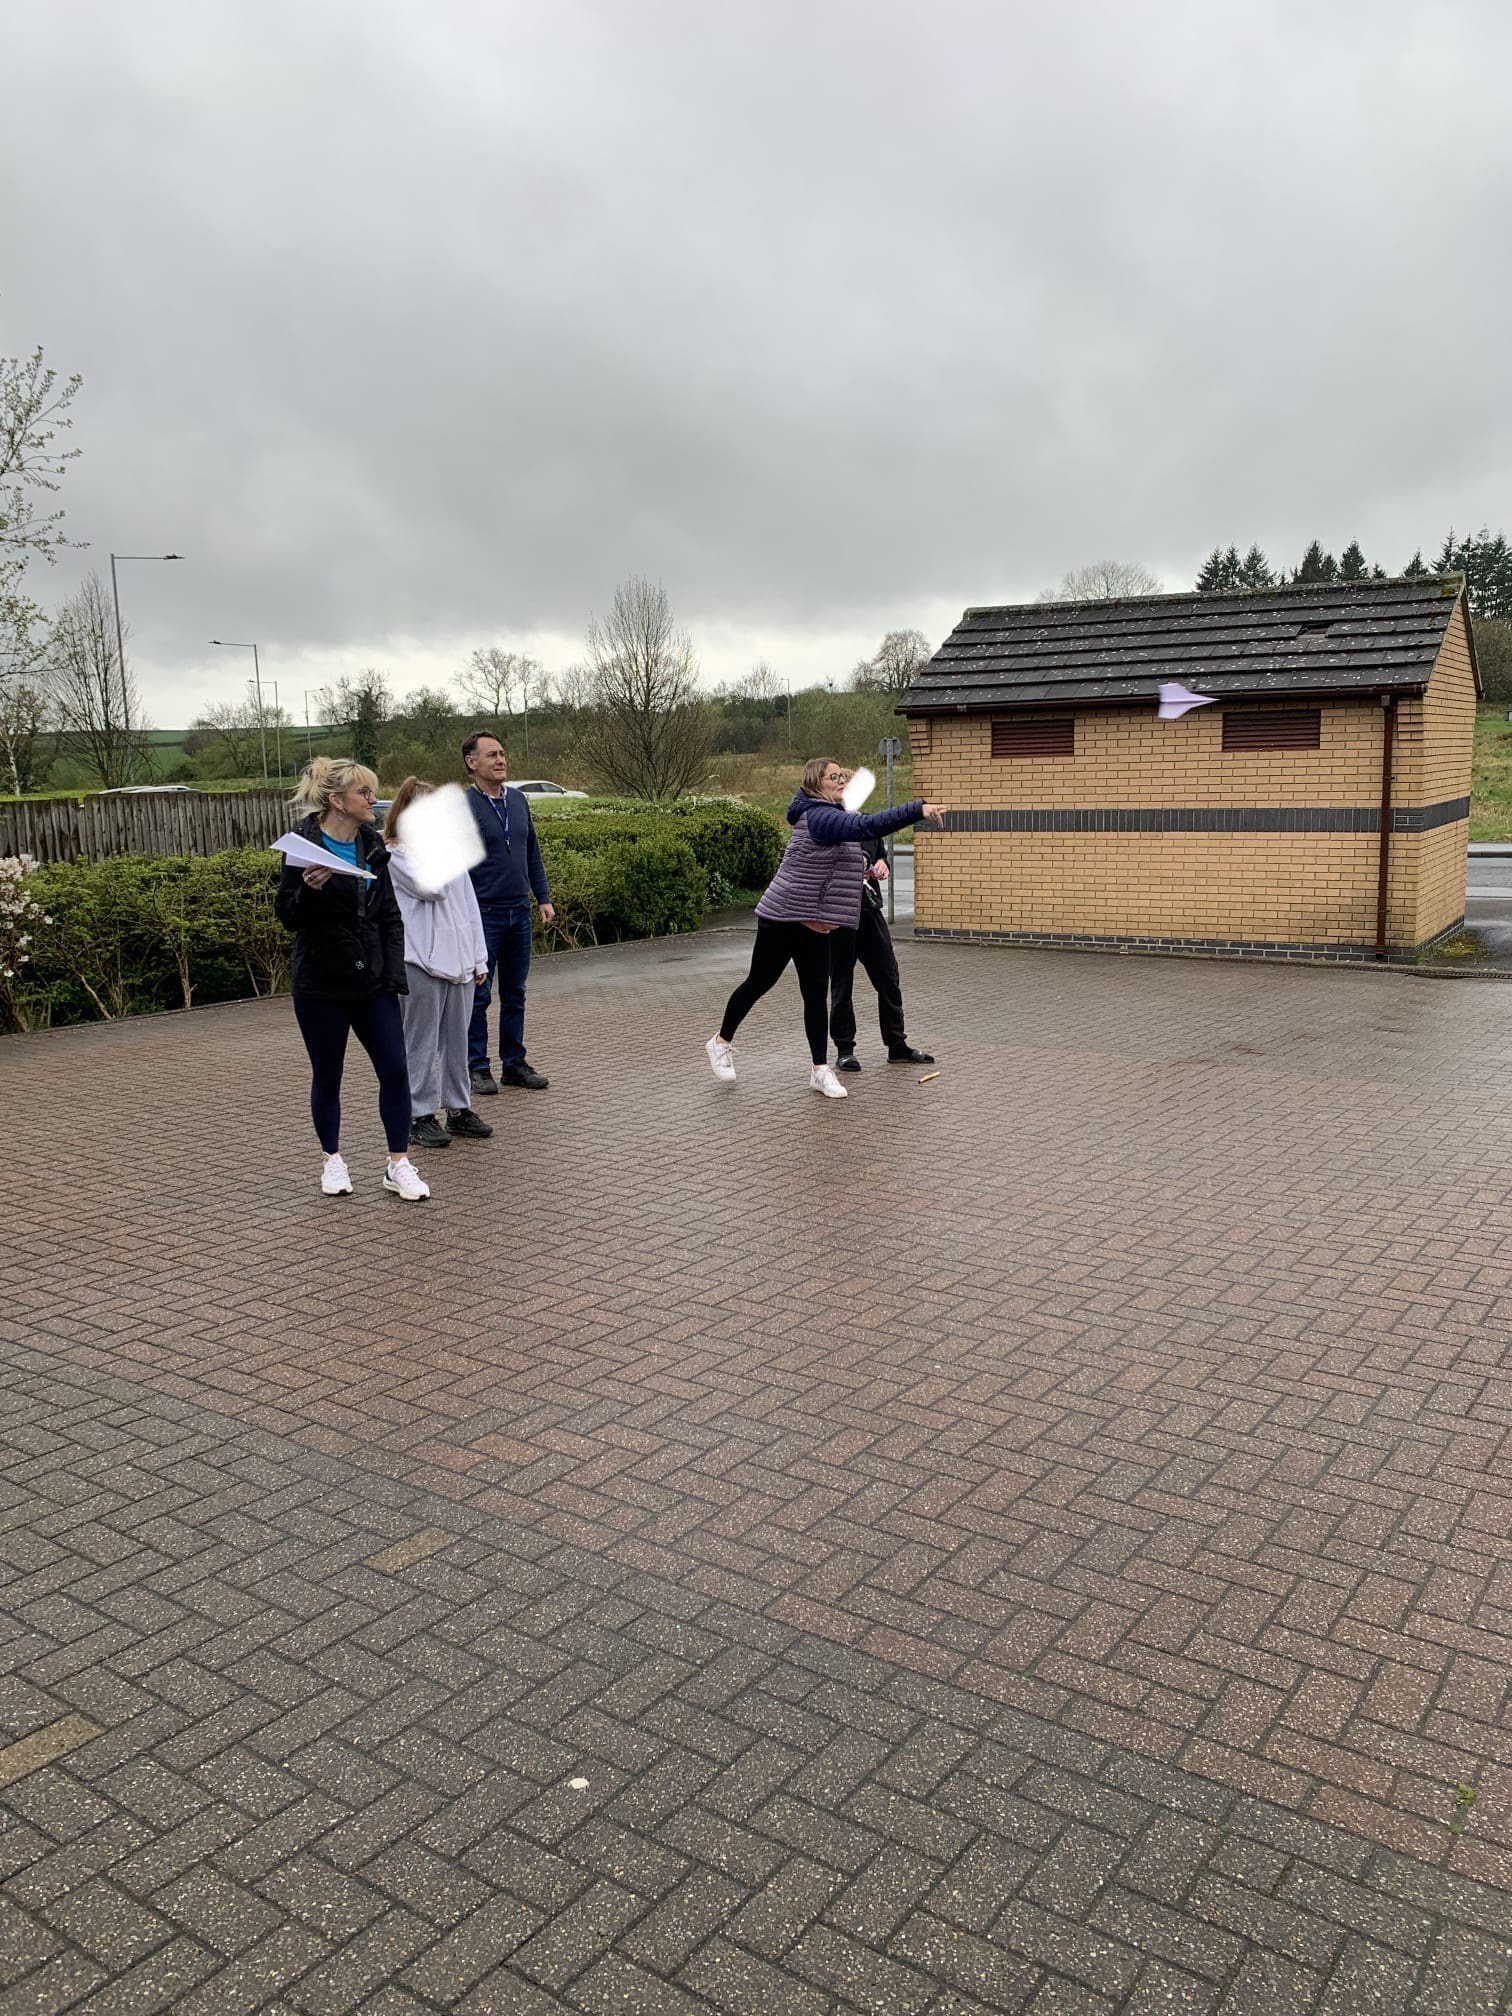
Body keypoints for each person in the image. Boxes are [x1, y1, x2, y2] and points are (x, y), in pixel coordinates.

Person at [707, 756, 946, 1099]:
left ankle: (820, 1070)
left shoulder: (835, 815)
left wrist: (867, 865)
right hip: (784, 916)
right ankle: (720, 1041)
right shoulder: (819, 816)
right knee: (759, 982)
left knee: (816, 995)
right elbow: (869, 826)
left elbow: (845, 852)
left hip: (817, 923)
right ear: (815, 783)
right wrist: (917, 809)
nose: (841, 780)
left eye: (842, 775)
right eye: (833, 777)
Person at [274, 756, 430, 1201]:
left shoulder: (374, 846)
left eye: (373, 791)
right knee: (328, 1074)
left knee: (395, 1070)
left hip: (372, 981)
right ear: (337, 802)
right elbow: (287, 916)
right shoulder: (302, 846)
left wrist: (393, 975)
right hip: (320, 981)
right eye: (364, 792)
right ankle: (332, 1160)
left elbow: (390, 916)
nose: (373, 800)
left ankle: (398, 1164)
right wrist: (309, 890)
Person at [383, 777, 495, 1151]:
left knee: (456, 1040)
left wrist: (478, 957)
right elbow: (433, 889)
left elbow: (469, 907)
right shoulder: (395, 855)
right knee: (420, 1042)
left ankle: (459, 1109)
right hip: (420, 962)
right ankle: (419, 1115)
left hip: (459, 961)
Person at [461, 730, 556, 1095]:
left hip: (519, 910)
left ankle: (514, 1063)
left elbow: (532, 851)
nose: (501, 760)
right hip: (483, 913)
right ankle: (477, 1067)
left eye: (502, 753)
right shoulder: (463, 806)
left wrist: (542, 897)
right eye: (492, 755)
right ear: (472, 762)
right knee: (479, 996)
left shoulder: (517, 799)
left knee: (515, 992)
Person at [827, 806, 935, 1073]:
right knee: (842, 983)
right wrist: (858, 863)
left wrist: (882, 864)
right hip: (840, 915)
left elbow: (879, 854)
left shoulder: (867, 823)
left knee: (889, 978)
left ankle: (897, 1045)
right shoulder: (828, 822)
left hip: (870, 912)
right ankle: (845, 1050)